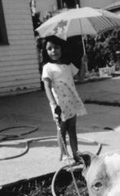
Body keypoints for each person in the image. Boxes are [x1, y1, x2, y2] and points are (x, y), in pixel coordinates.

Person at [41, 35, 87, 163]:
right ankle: (64, 154)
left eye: (56, 47)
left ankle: (76, 153)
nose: (53, 51)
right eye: (49, 48)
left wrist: (83, 63)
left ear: (62, 49)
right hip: (59, 104)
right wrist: (53, 103)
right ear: (46, 51)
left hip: (71, 101)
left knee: (72, 129)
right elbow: (47, 87)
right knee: (62, 130)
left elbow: (81, 78)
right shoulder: (48, 67)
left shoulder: (68, 65)